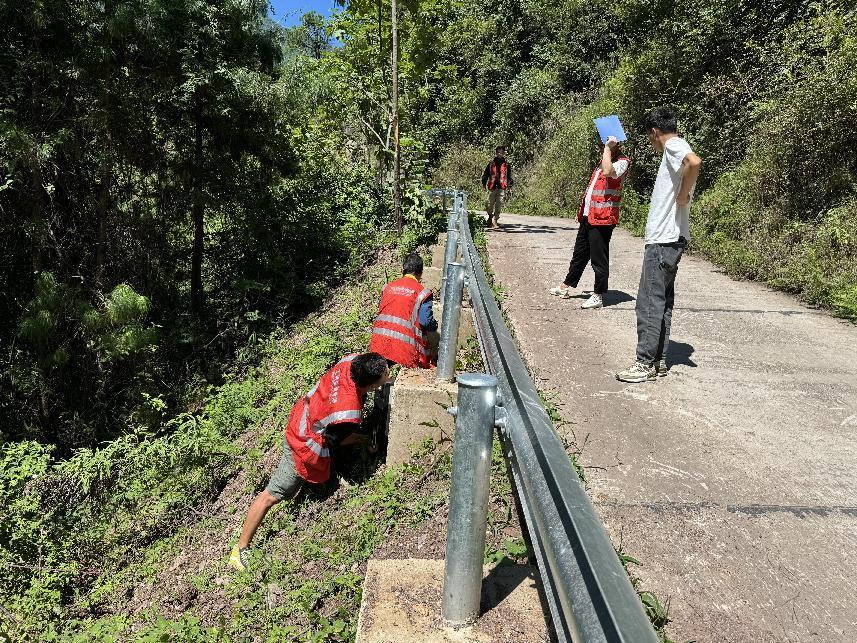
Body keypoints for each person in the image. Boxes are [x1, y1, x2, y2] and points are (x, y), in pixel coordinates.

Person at [229, 352, 390, 570]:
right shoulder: (347, 412)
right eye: (382, 379)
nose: (387, 376)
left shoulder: (351, 361)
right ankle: (240, 550)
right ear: (369, 385)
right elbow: (336, 439)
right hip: (301, 443)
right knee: (272, 495)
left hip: (303, 413)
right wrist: (364, 439)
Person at [616, 107, 702, 383]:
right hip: (672, 239)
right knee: (662, 302)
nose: (651, 143)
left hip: (663, 239)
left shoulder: (674, 145)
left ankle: (643, 363)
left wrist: (683, 195)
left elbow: (694, 162)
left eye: (649, 137)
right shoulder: (675, 148)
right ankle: (658, 361)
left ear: (655, 132)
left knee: (648, 303)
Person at [549, 133, 631, 309]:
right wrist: (583, 212)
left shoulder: (622, 162)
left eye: (604, 144)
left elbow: (609, 172)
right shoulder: (603, 160)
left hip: (603, 218)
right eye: (601, 144)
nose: (602, 147)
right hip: (589, 215)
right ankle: (565, 286)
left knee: (598, 259)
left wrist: (608, 148)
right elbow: (594, 189)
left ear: (616, 144)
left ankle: (598, 296)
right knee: (579, 254)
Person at [369, 253, 437, 369]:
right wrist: (434, 325)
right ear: (421, 273)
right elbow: (425, 321)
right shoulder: (422, 293)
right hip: (404, 352)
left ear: (403, 270)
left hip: (378, 346)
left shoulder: (387, 287)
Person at [481, 146, 513, 229]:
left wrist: (510, 186)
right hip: (492, 187)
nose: (500, 154)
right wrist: (484, 184)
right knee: (489, 204)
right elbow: (486, 174)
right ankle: (490, 217)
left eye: (501, 152)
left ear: (504, 153)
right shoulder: (491, 163)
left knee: (499, 204)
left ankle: (495, 220)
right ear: (496, 153)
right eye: (498, 152)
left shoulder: (507, 165)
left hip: (501, 187)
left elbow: (509, 176)